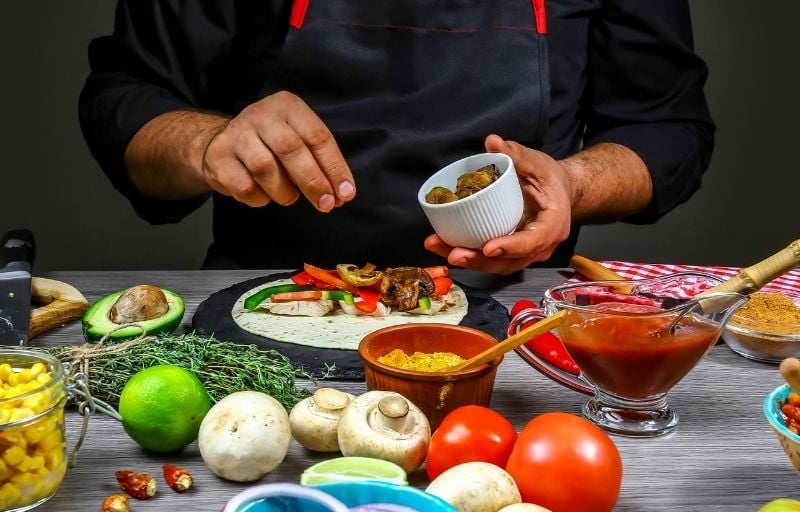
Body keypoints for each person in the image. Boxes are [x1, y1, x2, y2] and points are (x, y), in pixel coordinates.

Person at [79, 1, 714, 273]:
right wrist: (207, 144)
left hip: (517, 323)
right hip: (271, 301)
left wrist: (571, 184)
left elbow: (665, 124)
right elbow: (126, 94)